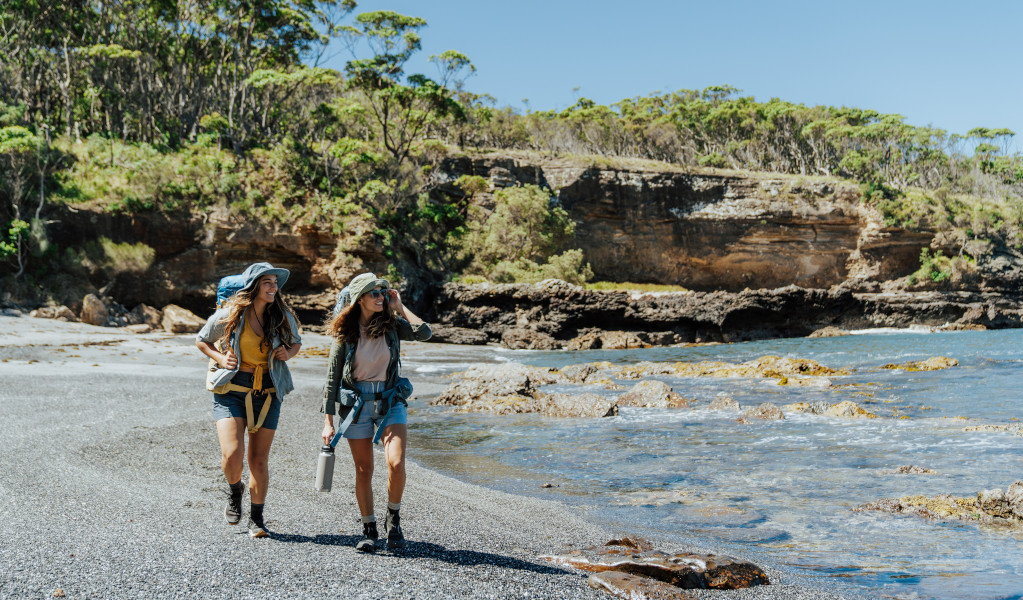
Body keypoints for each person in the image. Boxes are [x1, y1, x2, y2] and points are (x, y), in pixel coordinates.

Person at [321, 273, 432, 552]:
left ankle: (393, 519)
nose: (380, 296)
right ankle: (368, 528)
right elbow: (331, 381)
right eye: (374, 293)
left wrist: (399, 306)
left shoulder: (392, 326)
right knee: (364, 470)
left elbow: (424, 332)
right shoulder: (345, 334)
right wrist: (328, 422)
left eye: (382, 291)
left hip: (390, 401)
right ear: (359, 299)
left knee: (396, 463)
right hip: (355, 407)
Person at [196, 262, 302, 538]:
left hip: (267, 392)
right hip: (231, 388)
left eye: (275, 282)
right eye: (266, 282)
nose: (273, 287)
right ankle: (235, 490)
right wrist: (220, 358)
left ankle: (257, 519)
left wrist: (288, 354)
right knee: (232, 455)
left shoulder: (281, 315)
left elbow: (296, 341)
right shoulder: (232, 313)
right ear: (254, 286)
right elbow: (202, 340)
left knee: (258, 459)